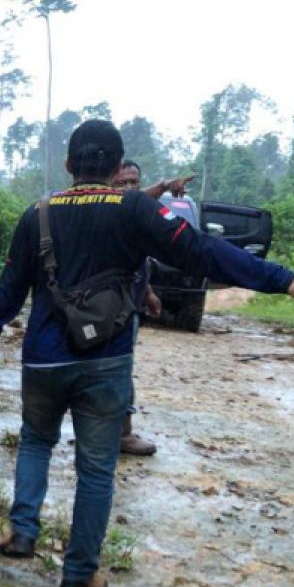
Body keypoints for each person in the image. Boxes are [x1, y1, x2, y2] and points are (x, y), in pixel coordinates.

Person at [0, 120, 294, 587]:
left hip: (43, 360)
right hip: (105, 359)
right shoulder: (135, 209)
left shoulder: (37, 214)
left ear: (69, 165)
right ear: (118, 167)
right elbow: (203, 253)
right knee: (97, 468)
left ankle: (22, 532)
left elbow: (11, 285)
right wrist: (282, 279)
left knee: (37, 442)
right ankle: (79, 575)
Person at [111, 160, 196, 455]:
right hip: (103, 308)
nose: (129, 188)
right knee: (109, 369)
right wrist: (163, 186)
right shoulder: (107, 210)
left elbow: (137, 260)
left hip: (130, 305)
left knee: (121, 367)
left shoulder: (138, 216)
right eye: (122, 183)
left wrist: (148, 293)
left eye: (134, 182)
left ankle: (118, 432)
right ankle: (112, 433)